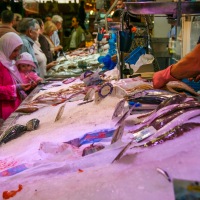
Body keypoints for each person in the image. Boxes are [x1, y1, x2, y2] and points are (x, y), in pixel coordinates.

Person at [0, 32, 31, 120]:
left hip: (15, 106)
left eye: (18, 50)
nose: (17, 54)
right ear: (6, 48)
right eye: (15, 50)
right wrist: (16, 87)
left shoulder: (11, 63)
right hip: (4, 110)